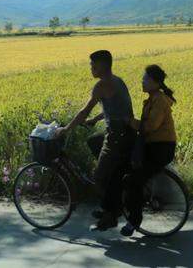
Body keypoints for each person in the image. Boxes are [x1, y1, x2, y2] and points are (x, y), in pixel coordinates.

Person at [56, 50, 135, 231]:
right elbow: (114, 108)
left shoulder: (101, 85)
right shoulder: (118, 81)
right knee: (93, 142)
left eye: (93, 64)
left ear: (102, 66)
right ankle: (112, 198)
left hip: (116, 137)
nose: (90, 68)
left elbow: (84, 111)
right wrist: (96, 120)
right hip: (127, 133)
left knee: (97, 178)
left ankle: (111, 215)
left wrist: (66, 129)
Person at [119, 64, 177, 236]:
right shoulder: (153, 98)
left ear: (156, 82)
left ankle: (134, 221)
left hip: (161, 149)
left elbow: (150, 126)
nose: (142, 81)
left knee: (133, 180)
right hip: (153, 146)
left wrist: (130, 122)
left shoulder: (159, 100)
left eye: (145, 79)